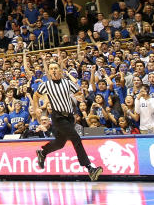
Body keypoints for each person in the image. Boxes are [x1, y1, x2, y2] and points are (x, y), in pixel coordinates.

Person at [32, 53, 103, 181]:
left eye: (56, 68)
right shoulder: (46, 85)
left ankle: (42, 152)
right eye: (51, 68)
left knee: (60, 144)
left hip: (70, 117)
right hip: (58, 117)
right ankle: (89, 168)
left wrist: (80, 97)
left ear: (60, 70)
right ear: (49, 71)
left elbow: (78, 94)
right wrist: (36, 107)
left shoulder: (67, 83)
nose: (54, 70)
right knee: (76, 138)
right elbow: (36, 95)